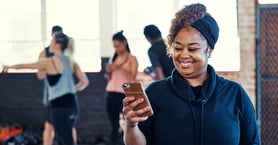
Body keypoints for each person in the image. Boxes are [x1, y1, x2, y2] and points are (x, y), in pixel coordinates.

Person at [122, 3, 259, 145]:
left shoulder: (235, 95)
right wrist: (131, 126)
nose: (183, 55)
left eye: (192, 49)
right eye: (178, 48)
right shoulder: (155, 94)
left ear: (209, 50)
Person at [3, 33, 80, 145]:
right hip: (73, 105)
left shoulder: (49, 61)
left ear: (57, 45)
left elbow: (27, 66)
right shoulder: (70, 61)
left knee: (65, 140)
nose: (50, 45)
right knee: (65, 138)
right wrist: (72, 89)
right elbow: (85, 82)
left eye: (51, 42)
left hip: (59, 107)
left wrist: (9, 67)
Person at [38, 26, 89, 145]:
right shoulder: (45, 53)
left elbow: (84, 82)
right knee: (50, 127)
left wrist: (72, 89)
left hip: (65, 101)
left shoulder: (68, 56)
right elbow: (40, 75)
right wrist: (50, 67)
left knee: (68, 129)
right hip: (52, 98)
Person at [105, 31, 138, 145]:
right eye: (114, 46)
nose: (117, 48)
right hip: (110, 93)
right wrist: (109, 72)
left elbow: (132, 78)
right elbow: (109, 79)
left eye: (118, 46)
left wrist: (119, 67)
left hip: (124, 94)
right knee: (114, 125)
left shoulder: (132, 59)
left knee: (128, 123)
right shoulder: (113, 58)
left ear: (124, 43)